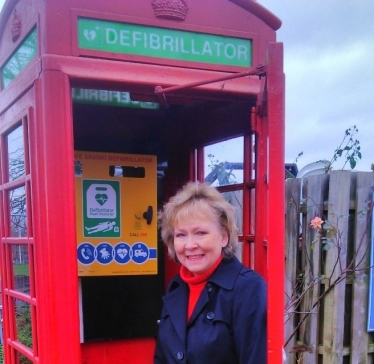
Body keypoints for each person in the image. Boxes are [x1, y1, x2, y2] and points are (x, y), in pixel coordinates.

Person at [154, 182, 267, 364]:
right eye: (181, 235)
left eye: (200, 233)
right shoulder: (176, 287)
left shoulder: (247, 288)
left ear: (223, 237)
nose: (190, 245)